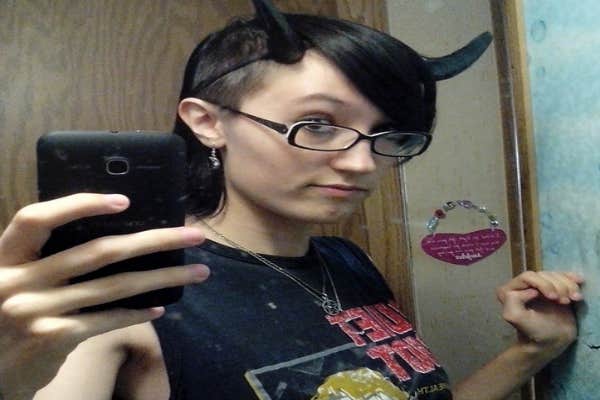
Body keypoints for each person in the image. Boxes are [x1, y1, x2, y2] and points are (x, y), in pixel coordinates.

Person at [0, 1, 584, 399]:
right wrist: (10, 370)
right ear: (207, 122)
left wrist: (529, 352)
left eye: (388, 135)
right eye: (318, 125)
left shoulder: (346, 262)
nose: (363, 163)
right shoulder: (130, 290)